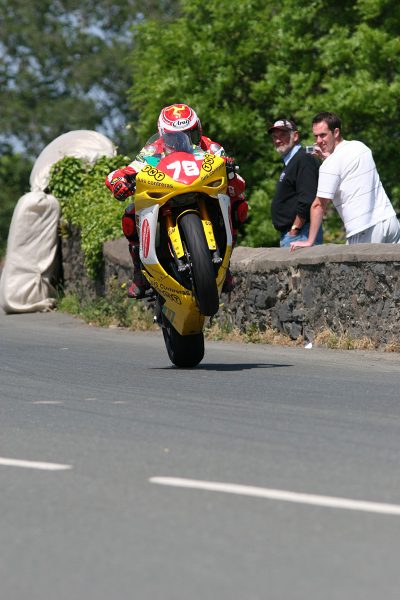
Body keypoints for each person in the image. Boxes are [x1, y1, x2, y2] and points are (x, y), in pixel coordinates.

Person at [106, 103, 248, 298]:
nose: (185, 140)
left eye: (190, 134)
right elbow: (126, 171)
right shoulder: (151, 152)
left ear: (198, 130)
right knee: (130, 215)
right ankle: (139, 272)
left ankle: (226, 264)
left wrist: (230, 172)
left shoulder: (211, 148)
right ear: (163, 134)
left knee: (239, 204)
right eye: (175, 136)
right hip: (167, 197)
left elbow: (238, 183)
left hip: (201, 194)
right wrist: (118, 181)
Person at [290, 111, 400, 251]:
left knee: (357, 272)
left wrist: (309, 241)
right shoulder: (361, 147)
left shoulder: (330, 165)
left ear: (336, 132)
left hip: (363, 228)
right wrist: (328, 158)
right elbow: (348, 173)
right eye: (316, 136)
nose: (318, 141)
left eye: (323, 135)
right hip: (390, 221)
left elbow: (318, 205)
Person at [268, 118, 323, 247]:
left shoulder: (304, 159)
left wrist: (295, 229)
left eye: (283, 135)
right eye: (274, 137)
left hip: (300, 234)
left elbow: (307, 199)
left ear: (296, 136)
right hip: (294, 234)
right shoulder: (292, 161)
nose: (277, 140)